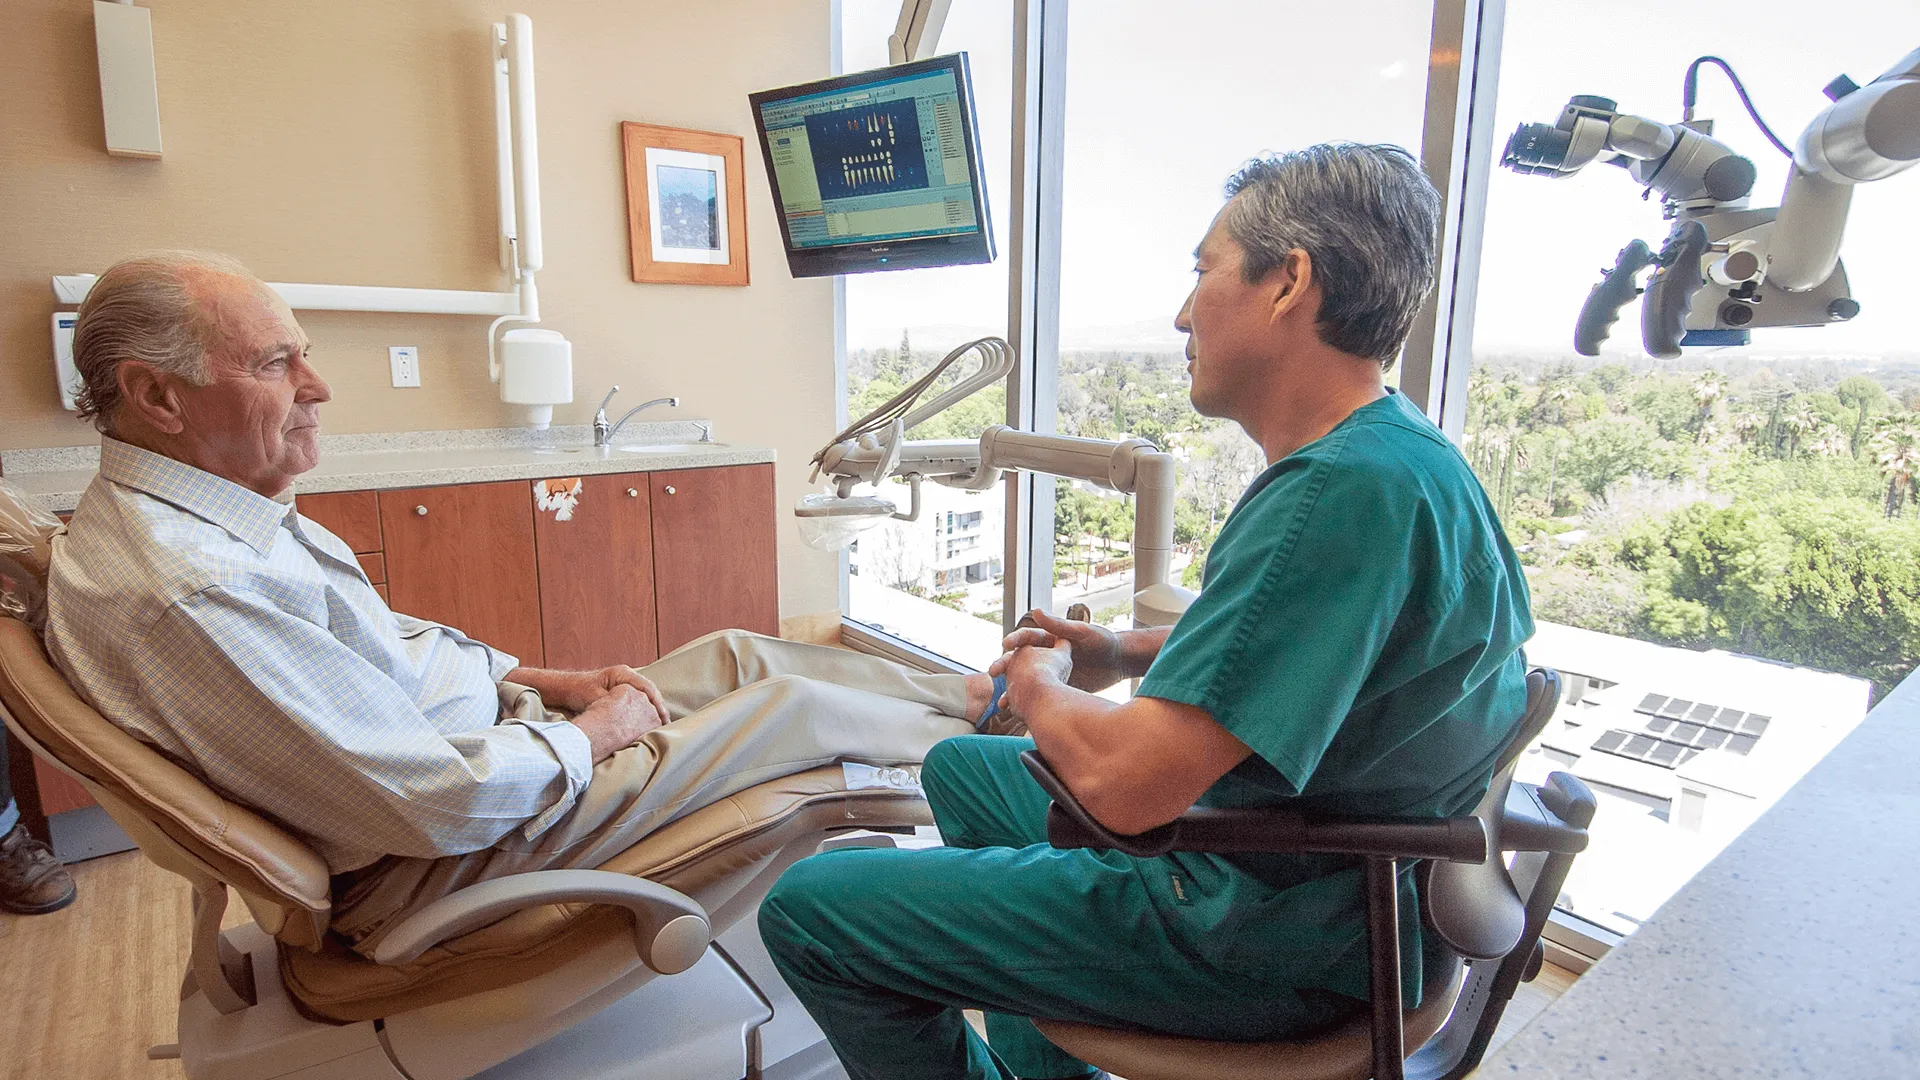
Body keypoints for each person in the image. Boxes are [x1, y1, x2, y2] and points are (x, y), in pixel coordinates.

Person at [758, 143, 1534, 1080]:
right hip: (1344, 885)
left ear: (1289, 282)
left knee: (812, 907)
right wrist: (1121, 648)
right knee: (966, 769)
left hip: (1274, 928)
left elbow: (1131, 789)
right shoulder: (1402, 455)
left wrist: (1039, 682)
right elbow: (1317, 648)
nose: (1180, 312)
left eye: (1202, 271)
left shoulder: (1333, 494)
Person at [41, 252, 997, 950]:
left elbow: (374, 646)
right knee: (797, 715)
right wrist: (599, 733)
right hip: (454, 848)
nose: (317, 386)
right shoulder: (193, 587)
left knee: (739, 656)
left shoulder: (205, 516)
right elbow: (435, 802)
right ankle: (1034, 778)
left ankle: (978, 705)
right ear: (156, 397)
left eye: (303, 356)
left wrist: (539, 678)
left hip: (475, 752)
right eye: (274, 364)